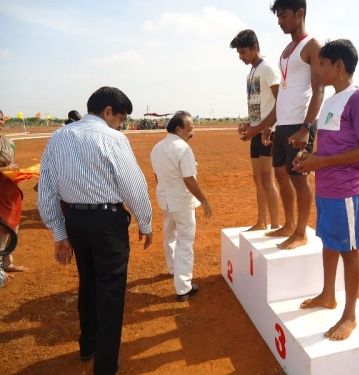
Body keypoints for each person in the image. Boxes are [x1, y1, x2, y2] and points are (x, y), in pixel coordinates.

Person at [38, 87, 153, 375]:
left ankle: (88, 344)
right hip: (107, 223)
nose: (121, 124)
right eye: (121, 118)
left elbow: (47, 189)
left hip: (75, 220)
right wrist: (145, 220)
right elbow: (132, 184)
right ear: (107, 112)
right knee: (111, 291)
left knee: (88, 281)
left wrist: (59, 234)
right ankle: (105, 367)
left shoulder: (58, 137)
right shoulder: (113, 138)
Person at [294, 40, 359, 341]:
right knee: (329, 242)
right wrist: (309, 157)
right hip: (326, 188)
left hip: (345, 191)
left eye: (323, 65)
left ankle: (350, 315)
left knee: (350, 251)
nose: (319, 70)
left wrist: (322, 161)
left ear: (338, 66)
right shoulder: (330, 102)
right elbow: (326, 147)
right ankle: (328, 294)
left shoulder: (358, 100)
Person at [244, 0, 324, 249]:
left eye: (284, 16)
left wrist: (306, 127)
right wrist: (270, 125)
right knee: (281, 173)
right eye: (278, 17)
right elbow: (284, 95)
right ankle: (288, 224)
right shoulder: (287, 49)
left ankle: (300, 232)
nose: (280, 21)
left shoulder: (312, 46)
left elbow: (319, 90)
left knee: (300, 178)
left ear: (300, 13)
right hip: (283, 125)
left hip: (300, 123)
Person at [150, 111, 212, 302]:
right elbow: (189, 179)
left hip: (166, 199)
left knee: (169, 235)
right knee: (185, 241)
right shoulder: (183, 149)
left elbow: (157, 177)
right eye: (190, 129)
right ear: (178, 128)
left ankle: (173, 269)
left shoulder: (157, 147)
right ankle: (183, 287)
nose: (192, 132)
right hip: (182, 202)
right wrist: (204, 200)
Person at [230, 29, 281, 231]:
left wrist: (260, 128)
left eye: (243, 52)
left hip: (269, 133)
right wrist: (249, 125)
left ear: (255, 48)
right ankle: (261, 222)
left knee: (268, 179)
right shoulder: (251, 72)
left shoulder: (268, 68)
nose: (241, 57)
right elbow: (260, 105)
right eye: (239, 53)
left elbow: (281, 103)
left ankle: (276, 224)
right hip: (256, 132)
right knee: (258, 179)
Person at [0, 109, 27, 274]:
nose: (0, 121)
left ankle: (8, 263)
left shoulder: (8, 141)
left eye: (1, 119)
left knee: (12, 226)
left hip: (10, 191)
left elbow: (11, 163)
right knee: (2, 227)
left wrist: (14, 170)